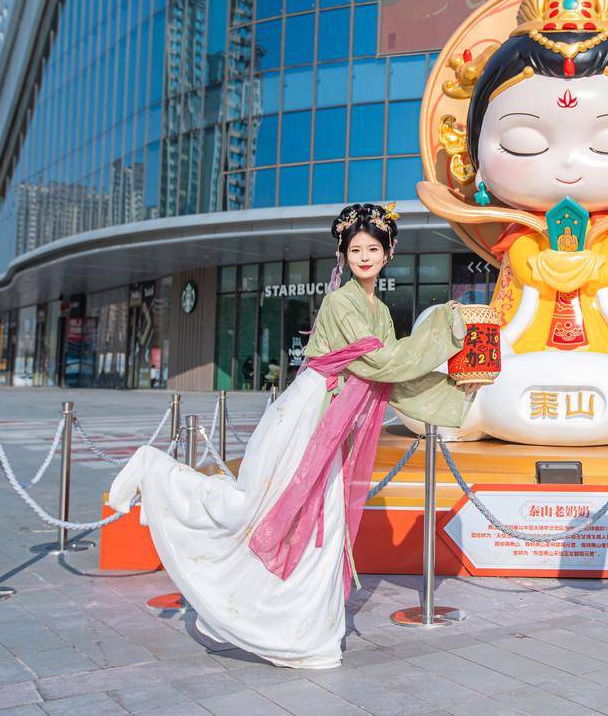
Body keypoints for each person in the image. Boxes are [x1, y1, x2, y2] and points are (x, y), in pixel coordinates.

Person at [107, 203, 476, 668]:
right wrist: (444, 328)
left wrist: (459, 387)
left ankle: (306, 632)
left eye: (372, 249)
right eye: (355, 250)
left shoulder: (379, 310)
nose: (364, 257)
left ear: (388, 254)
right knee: (259, 508)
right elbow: (382, 362)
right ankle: (155, 470)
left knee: (323, 522)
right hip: (309, 415)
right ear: (343, 255)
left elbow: (392, 378)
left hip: (334, 420)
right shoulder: (340, 303)